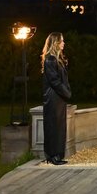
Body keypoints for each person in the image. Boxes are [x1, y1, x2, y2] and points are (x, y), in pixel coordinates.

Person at [41, 32, 71, 165]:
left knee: (59, 126)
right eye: (61, 41)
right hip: (53, 98)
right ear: (55, 43)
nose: (63, 43)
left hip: (59, 97)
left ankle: (57, 154)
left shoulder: (57, 59)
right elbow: (54, 81)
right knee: (53, 126)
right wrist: (66, 93)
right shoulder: (50, 59)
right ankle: (52, 155)